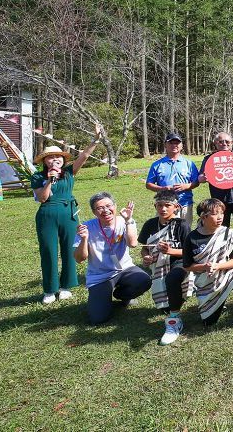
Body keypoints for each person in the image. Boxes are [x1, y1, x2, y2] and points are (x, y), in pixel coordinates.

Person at [32, 124, 102, 305]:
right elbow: (42, 198)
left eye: (58, 157)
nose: (54, 160)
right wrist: (49, 179)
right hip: (47, 215)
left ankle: (65, 287)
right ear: (44, 161)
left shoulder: (70, 172)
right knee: (48, 251)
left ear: (63, 159)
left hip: (69, 213)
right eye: (50, 157)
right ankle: (49, 289)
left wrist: (95, 139)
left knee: (69, 249)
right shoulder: (38, 177)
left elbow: (84, 156)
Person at [73, 192, 151, 325]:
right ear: (94, 212)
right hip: (100, 275)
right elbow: (80, 259)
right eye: (100, 208)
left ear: (115, 206)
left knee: (143, 280)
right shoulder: (87, 228)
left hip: (124, 268)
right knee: (98, 319)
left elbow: (133, 244)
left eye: (109, 205)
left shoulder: (124, 221)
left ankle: (121, 295)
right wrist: (84, 239)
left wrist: (129, 221)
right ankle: (104, 297)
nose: (105, 210)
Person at [183, 198, 233, 327]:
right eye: (214, 214)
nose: (219, 217)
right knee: (209, 322)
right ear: (203, 216)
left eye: (221, 213)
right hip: (206, 280)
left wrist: (217, 266)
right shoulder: (192, 238)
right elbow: (187, 266)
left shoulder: (228, 233)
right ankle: (217, 300)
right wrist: (205, 267)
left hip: (227, 272)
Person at [138, 191, 193, 345]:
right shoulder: (150, 224)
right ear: (155, 206)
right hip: (158, 264)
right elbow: (144, 248)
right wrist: (146, 257)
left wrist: (170, 251)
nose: (163, 209)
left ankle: (174, 319)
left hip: (179, 262)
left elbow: (188, 252)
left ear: (175, 207)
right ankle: (172, 302)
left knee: (173, 278)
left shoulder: (182, 225)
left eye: (167, 205)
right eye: (159, 205)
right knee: (164, 306)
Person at [146, 132, 199, 224]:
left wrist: (186, 186)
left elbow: (196, 182)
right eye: (171, 143)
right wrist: (164, 188)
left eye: (177, 143)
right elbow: (148, 184)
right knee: (163, 233)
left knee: (184, 233)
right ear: (165, 145)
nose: (174, 145)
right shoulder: (157, 165)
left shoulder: (189, 164)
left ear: (181, 146)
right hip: (164, 205)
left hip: (184, 204)